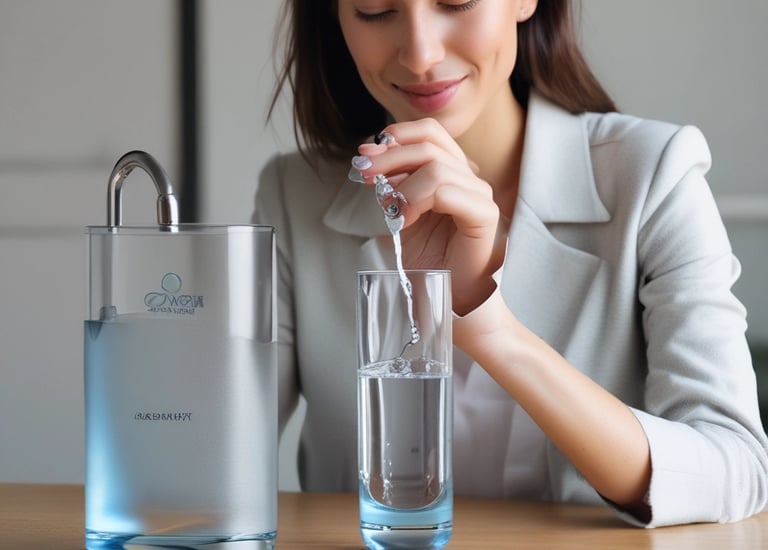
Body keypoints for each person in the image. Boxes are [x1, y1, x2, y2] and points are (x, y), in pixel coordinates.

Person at [253, 0, 768, 527]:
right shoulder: (293, 197)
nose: (421, 55)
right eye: (374, 10)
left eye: (455, 2)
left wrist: (488, 324)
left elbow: (736, 466)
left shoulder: (651, 175)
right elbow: (213, 452)